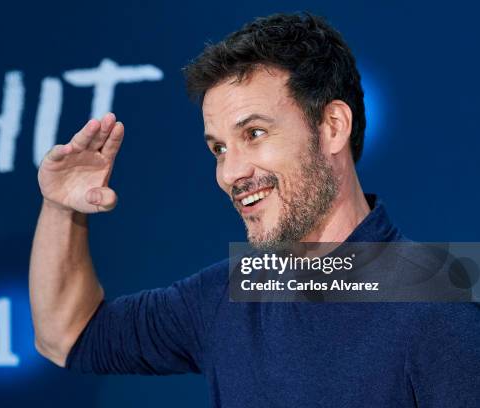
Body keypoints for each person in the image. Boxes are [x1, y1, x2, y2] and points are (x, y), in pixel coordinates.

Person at [29, 12, 480, 407]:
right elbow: (67, 334)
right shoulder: (229, 293)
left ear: (332, 128)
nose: (230, 172)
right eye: (219, 148)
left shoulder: (442, 301)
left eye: (256, 134)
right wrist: (61, 207)